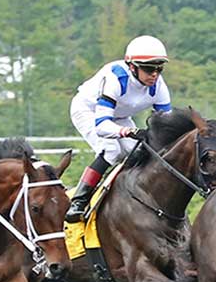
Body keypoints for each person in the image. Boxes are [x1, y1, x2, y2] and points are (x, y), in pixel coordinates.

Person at [65, 35, 172, 223]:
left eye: (159, 68)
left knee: (139, 152)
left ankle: (131, 196)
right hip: (89, 111)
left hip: (119, 116)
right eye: (149, 68)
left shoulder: (159, 86)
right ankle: (79, 201)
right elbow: (102, 126)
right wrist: (127, 132)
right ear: (132, 66)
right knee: (112, 151)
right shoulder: (116, 78)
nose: (154, 74)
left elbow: (168, 124)